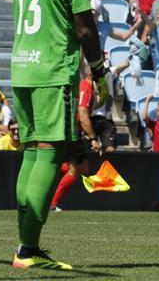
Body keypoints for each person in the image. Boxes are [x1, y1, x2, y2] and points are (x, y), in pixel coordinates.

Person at [11, 0, 109, 270]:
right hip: (53, 70)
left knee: (32, 154)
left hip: (22, 66)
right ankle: (27, 249)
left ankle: (24, 242)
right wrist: (99, 73)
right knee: (51, 156)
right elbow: (85, 30)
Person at [50, 66, 104, 212]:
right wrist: (93, 138)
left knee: (82, 167)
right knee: (75, 170)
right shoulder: (86, 88)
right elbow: (83, 114)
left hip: (70, 129)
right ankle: (52, 204)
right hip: (72, 131)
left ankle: (52, 169)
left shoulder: (83, 85)